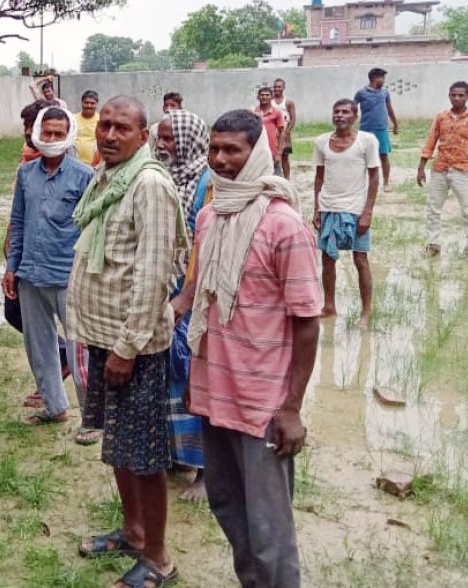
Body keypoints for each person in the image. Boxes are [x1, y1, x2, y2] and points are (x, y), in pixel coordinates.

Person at [174, 109, 321, 588]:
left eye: (232, 150)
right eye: (215, 149)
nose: (220, 159)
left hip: (263, 406)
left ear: (257, 153)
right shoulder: (208, 217)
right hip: (216, 395)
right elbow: (197, 298)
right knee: (228, 506)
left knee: (269, 530)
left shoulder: (285, 227)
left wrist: (292, 409)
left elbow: (306, 321)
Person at [71, 96, 186, 588]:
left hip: (133, 348)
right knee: (119, 445)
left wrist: (126, 348)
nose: (110, 135)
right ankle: (134, 532)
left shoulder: (150, 185)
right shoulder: (108, 177)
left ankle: (158, 557)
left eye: (123, 128)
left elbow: (153, 276)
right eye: (105, 126)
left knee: (144, 454)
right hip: (103, 338)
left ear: (144, 135)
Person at [3, 107, 94, 437]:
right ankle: (54, 407)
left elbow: (91, 229)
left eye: (59, 133)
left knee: (80, 347)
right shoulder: (26, 174)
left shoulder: (84, 176)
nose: (52, 139)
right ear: (37, 132)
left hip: (68, 274)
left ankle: (92, 417)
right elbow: (17, 222)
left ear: (68, 135)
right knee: (38, 344)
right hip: (30, 273)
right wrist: (12, 267)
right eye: (48, 132)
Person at [155, 108, 212, 503]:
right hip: (166, 288)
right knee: (168, 375)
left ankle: (206, 469)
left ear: (188, 141)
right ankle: (177, 455)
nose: (161, 145)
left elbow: (206, 245)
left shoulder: (209, 182)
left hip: (195, 292)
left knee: (194, 375)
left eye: (169, 139)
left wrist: (188, 293)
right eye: (159, 137)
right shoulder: (163, 178)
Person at [313, 99, 380, 325]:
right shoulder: (321, 142)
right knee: (328, 257)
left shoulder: (367, 141)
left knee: (360, 258)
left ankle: (365, 312)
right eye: (336, 111)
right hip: (329, 207)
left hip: (356, 208)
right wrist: (317, 208)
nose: (340, 115)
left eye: (345, 112)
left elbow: (373, 177)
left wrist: (367, 212)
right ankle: (329, 305)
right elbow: (319, 176)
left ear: (355, 116)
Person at [417, 81, 468, 258]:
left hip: (464, 170)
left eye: (461, 95)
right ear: (449, 95)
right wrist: (422, 166)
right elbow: (431, 141)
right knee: (434, 209)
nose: (457, 98)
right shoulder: (441, 117)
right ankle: (433, 245)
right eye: (453, 95)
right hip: (440, 168)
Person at [354, 67, 399, 192]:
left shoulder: (384, 93)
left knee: (383, 156)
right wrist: (351, 122)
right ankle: (363, 183)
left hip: (381, 129)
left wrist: (395, 124)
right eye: (382, 78)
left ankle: (386, 183)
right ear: (375, 78)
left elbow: (389, 108)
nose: (384, 81)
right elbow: (352, 107)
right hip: (365, 130)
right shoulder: (361, 93)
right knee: (363, 157)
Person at [250, 87, 285, 174]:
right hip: (257, 151)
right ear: (258, 97)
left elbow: (281, 134)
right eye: (262, 95)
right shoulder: (253, 112)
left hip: (272, 150)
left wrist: (279, 154)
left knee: (276, 179)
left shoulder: (277, 112)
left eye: (267, 95)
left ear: (272, 97)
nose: (264, 97)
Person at [145, 93, 183, 158]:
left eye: (172, 105)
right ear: (163, 108)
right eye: (166, 105)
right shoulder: (154, 128)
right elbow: (149, 148)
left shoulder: (185, 128)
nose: (168, 109)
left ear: (179, 108)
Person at [272, 78, 297, 179]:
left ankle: (287, 178)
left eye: (279, 87)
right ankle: (275, 177)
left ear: (283, 88)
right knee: (273, 155)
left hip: (284, 132)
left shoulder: (288, 102)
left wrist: (287, 132)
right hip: (273, 133)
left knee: (284, 157)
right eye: (275, 87)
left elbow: (293, 117)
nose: (277, 89)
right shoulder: (270, 101)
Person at [75, 90, 100, 163]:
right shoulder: (73, 119)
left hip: (95, 165)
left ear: (97, 104)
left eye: (92, 103)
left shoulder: (101, 121)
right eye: (86, 103)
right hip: (75, 163)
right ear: (81, 103)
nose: (89, 106)